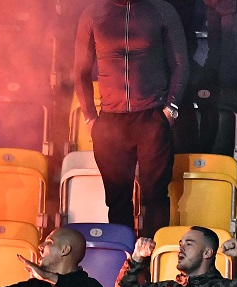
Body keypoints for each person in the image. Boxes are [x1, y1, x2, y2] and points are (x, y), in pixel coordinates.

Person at [73, 0, 188, 237]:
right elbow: (80, 71)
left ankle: (153, 263)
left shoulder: (161, 10)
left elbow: (180, 63)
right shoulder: (93, 13)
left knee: (155, 196)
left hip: (151, 118)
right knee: (117, 199)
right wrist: (90, 119)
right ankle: (124, 262)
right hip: (110, 122)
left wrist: (170, 110)